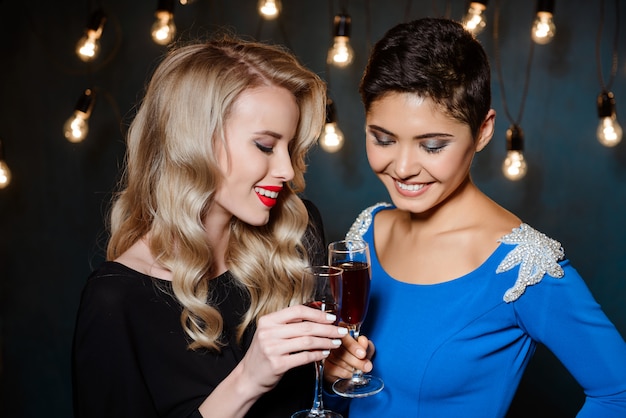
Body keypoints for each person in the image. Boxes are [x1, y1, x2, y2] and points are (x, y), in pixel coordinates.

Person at [323, 17, 626, 417]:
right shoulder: (367, 230)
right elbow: (346, 400)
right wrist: (331, 373)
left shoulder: (523, 266)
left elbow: (618, 393)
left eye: (432, 146)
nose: (403, 166)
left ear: (483, 131)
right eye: (382, 139)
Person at [72, 35, 350, 418]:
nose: (286, 170)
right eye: (266, 146)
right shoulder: (116, 301)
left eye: (290, 147)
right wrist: (248, 379)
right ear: (196, 142)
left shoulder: (297, 234)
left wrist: (329, 367)